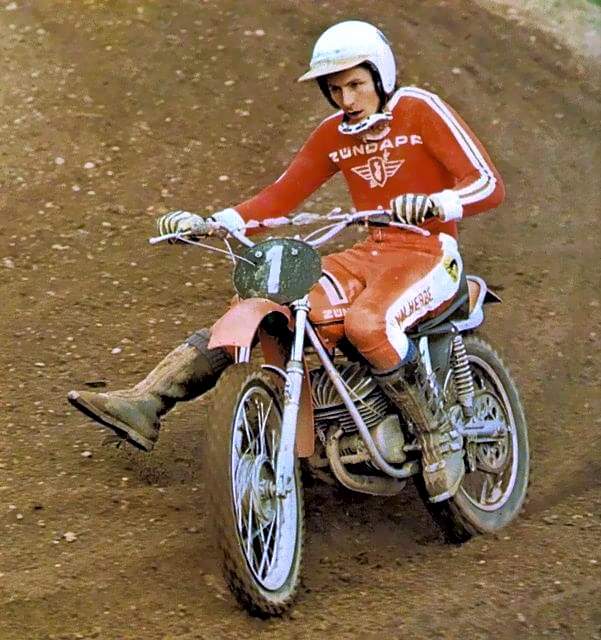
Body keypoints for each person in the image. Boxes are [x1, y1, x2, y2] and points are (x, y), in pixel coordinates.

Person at [68, 21, 504, 503]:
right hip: (371, 252)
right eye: (335, 89)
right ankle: (149, 400)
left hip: (430, 251)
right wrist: (211, 222)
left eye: (356, 84)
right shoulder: (334, 134)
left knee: (367, 323)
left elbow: (488, 183)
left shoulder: (419, 109)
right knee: (270, 299)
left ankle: (435, 435)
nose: (347, 99)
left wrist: (438, 202)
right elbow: (280, 196)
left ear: (380, 75)